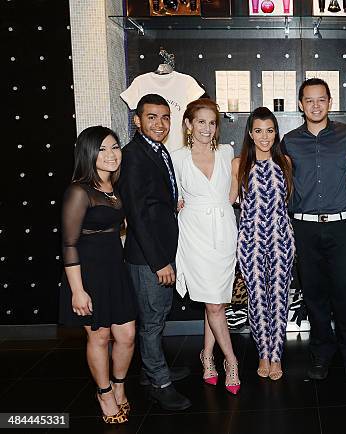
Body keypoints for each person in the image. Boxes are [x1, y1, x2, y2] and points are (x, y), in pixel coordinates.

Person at [281, 78, 346, 380]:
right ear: (300, 104)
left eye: (321, 99)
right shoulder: (289, 141)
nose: (315, 105)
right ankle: (320, 355)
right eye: (309, 100)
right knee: (314, 295)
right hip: (304, 228)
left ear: (330, 102)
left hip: (342, 226)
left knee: (345, 293)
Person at [118, 94, 192, 410]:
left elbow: (151, 198)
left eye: (164, 117)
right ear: (137, 120)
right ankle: (159, 383)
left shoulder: (156, 150)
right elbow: (135, 214)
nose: (159, 124)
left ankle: (152, 369)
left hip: (159, 249)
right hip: (150, 256)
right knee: (151, 321)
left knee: (157, 316)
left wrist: (169, 203)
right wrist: (160, 261)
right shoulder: (133, 155)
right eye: (152, 117)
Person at [60, 126, 135, 424]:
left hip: (115, 270)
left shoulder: (114, 190)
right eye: (102, 149)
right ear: (89, 153)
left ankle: (119, 385)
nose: (111, 154)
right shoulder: (79, 190)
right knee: (100, 337)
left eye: (115, 147)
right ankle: (104, 393)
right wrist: (77, 291)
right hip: (87, 274)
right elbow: (69, 243)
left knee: (127, 336)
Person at [172, 98, 241, 395]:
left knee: (215, 299)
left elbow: (233, 191)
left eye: (212, 123)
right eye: (200, 121)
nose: (207, 128)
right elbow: (168, 193)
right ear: (188, 124)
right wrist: (173, 205)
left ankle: (207, 355)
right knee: (213, 303)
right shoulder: (176, 157)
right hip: (194, 233)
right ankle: (232, 361)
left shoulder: (227, 152)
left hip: (224, 231)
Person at [231, 107, 295, 381]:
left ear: (276, 132)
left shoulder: (286, 162)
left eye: (269, 130)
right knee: (257, 300)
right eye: (258, 130)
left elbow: (288, 202)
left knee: (279, 299)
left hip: (282, 238)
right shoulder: (239, 164)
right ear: (250, 133)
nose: (264, 136)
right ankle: (263, 353)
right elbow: (229, 199)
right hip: (250, 242)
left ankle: (277, 355)